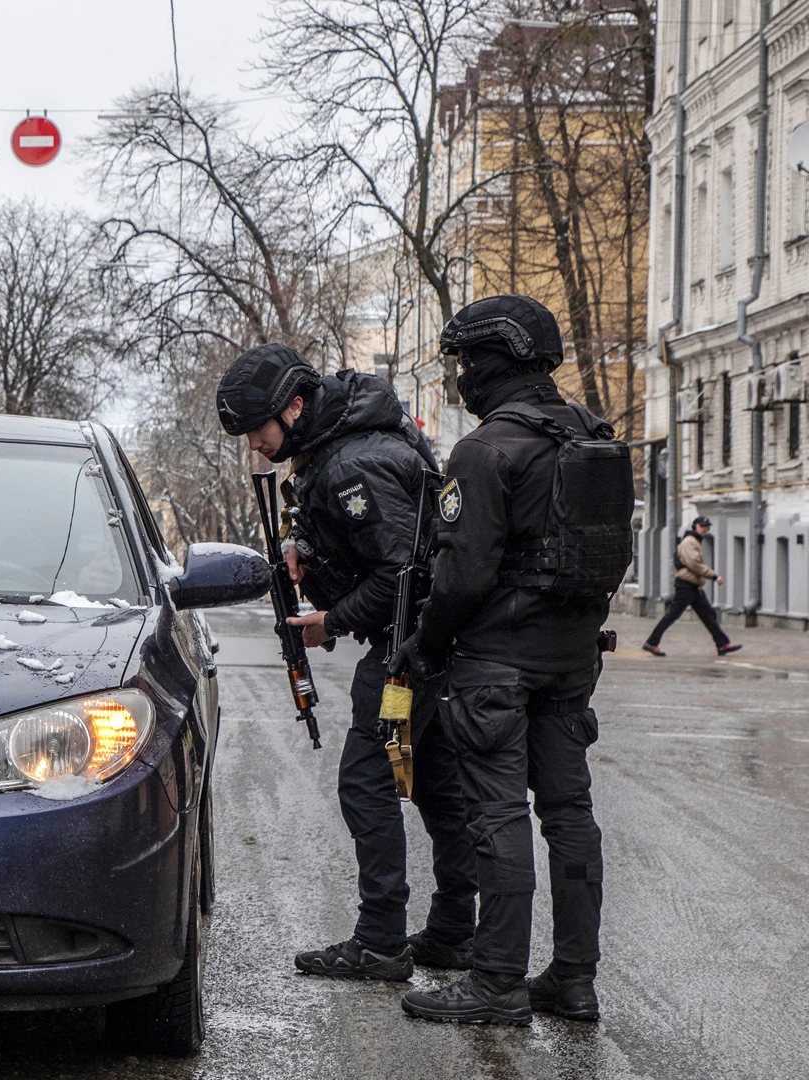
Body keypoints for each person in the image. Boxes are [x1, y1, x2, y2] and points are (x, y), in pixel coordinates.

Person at [396, 294, 630, 1026]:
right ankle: (574, 979)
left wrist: (425, 646)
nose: (462, 375)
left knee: (496, 817)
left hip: (495, 665)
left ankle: (495, 984)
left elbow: (461, 576)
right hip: (571, 661)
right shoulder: (592, 434)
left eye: (466, 361)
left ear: (494, 361)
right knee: (570, 814)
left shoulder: (485, 449)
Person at [216, 344, 477, 983]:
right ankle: (451, 931)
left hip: (403, 655)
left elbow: (402, 574)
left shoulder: (352, 464)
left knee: (371, 779)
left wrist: (330, 622)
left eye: (259, 429)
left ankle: (382, 942)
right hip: (425, 647)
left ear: (296, 407)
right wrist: (304, 541)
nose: (255, 444)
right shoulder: (344, 443)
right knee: (430, 778)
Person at [643, 516, 740, 656]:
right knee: (672, 615)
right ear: (695, 527)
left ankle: (722, 644)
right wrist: (713, 576)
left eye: (707, 526)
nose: (705, 529)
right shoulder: (689, 542)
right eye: (702, 526)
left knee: (709, 615)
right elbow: (694, 564)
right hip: (686, 586)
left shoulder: (695, 541)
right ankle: (651, 643)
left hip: (694, 586)